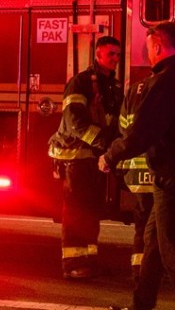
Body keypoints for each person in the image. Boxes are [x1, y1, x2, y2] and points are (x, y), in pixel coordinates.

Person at [99, 21, 175, 310]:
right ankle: (141, 305)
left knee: (174, 252)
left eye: (148, 48)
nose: (148, 55)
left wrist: (110, 156)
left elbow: (141, 133)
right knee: (153, 245)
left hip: (170, 177)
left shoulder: (165, 82)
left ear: (157, 45)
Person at [48, 35, 123, 279]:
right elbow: (74, 122)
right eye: (110, 54)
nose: (115, 59)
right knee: (76, 213)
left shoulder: (113, 86)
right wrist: (105, 142)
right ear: (98, 54)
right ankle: (72, 265)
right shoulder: (80, 83)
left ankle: (89, 261)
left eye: (118, 55)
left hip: (95, 159)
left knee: (91, 212)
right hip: (75, 158)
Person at [116, 74, 154, 283]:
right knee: (158, 227)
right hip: (159, 173)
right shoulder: (166, 88)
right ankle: (151, 270)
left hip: (138, 174)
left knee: (141, 225)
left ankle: (139, 270)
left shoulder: (133, 90)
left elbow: (123, 129)